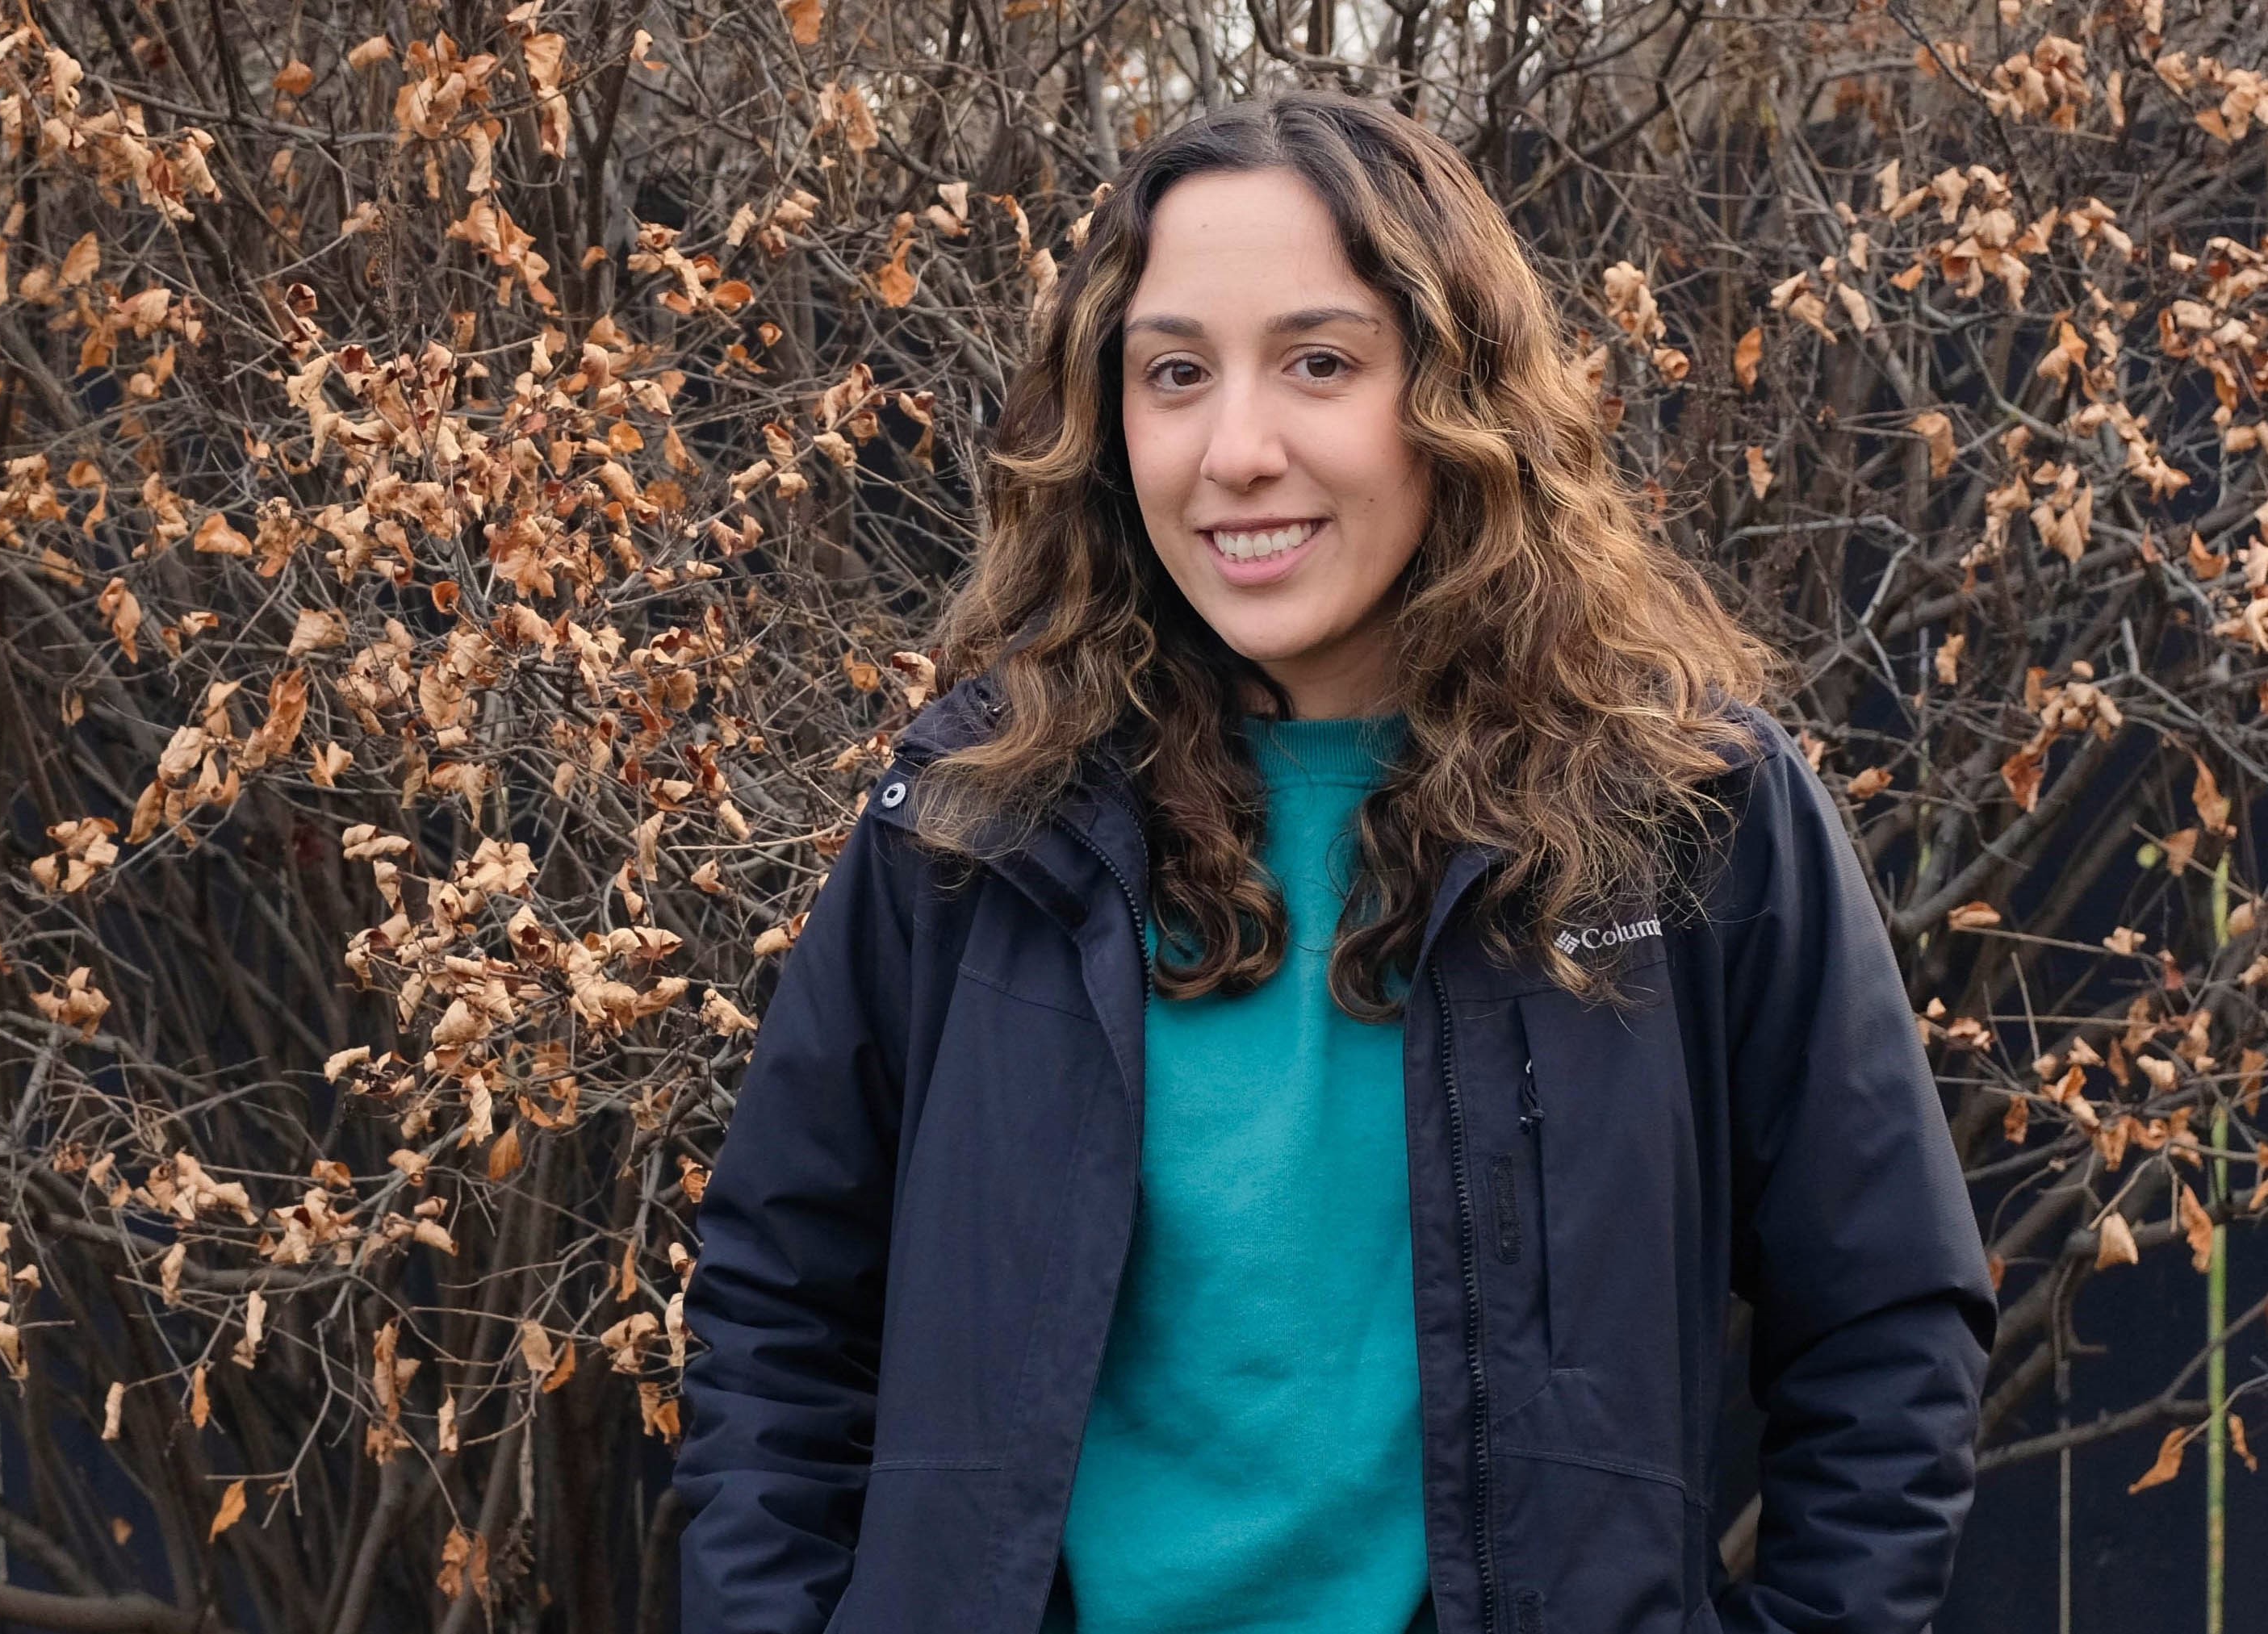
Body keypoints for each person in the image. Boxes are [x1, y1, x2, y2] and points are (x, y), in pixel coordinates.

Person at [670, 89, 1996, 1634]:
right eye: (1175, 374)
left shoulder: (1685, 809)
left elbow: (1888, 1325)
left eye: (1320, 363)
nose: (1237, 449)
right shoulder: (974, 815)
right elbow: (778, 1307)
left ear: (1457, 397)